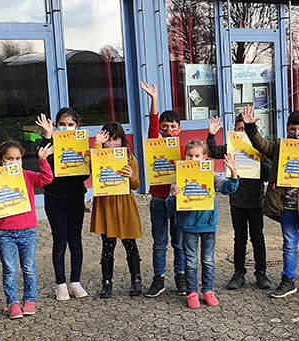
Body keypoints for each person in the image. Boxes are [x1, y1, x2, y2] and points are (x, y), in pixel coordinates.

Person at [241, 106, 299, 298]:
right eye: (292, 130)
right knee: (289, 244)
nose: (296, 133)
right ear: (287, 129)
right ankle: (288, 280)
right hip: (286, 206)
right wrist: (250, 127)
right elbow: (261, 145)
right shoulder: (280, 146)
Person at [0, 141, 54, 319]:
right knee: (10, 269)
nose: (13, 162)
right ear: (1, 159)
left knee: (28, 267)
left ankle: (30, 300)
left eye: (18, 158)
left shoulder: (26, 175)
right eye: (9, 158)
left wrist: (43, 161)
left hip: (27, 229)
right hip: (4, 231)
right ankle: (12, 303)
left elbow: (46, 180)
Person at [167, 141, 239, 308]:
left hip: (208, 225)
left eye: (197, 156)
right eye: (189, 156)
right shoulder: (179, 177)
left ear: (205, 157)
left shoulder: (211, 175)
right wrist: (174, 196)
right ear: (184, 158)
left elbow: (229, 188)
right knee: (190, 261)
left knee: (208, 260)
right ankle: (192, 292)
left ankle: (208, 290)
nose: (193, 159)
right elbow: (169, 207)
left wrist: (234, 172)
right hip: (188, 226)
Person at [206, 115, 273, 290]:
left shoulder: (261, 148)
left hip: (256, 201)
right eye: (238, 128)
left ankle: (261, 273)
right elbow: (212, 152)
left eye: (245, 129)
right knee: (239, 238)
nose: (241, 132)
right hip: (237, 200)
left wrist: (263, 158)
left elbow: (267, 176)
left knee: (258, 238)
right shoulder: (231, 147)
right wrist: (212, 134)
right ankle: (238, 273)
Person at [35, 110, 90, 300]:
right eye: (62, 124)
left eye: (70, 124)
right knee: (60, 240)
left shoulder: (81, 145)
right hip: (54, 198)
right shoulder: (50, 143)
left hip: (75, 197)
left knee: (75, 239)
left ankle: (75, 282)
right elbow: (43, 165)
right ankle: (60, 284)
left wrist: (87, 159)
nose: (65, 128)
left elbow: (84, 175)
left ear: (77, 127)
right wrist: (47, 136)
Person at [141, 82, 187, 297]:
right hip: (158, 200)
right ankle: (158, 278)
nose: (168, 130)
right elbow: (152, 125)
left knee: (179, 241)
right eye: (165, 127)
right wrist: (154, 101)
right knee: (159, 242)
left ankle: (181, 275)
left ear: (179, 129)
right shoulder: (155, 144)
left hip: (178, 200)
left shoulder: (184, 149)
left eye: (172, 127)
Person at [90, 122, 144, 298]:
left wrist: (131, 177)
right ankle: (107, 283)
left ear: (122, 140)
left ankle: (136, 280)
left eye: (116, 139)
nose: (112, 143)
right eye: (108, 140)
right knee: (107, 245)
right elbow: (89, 164)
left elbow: (136, 185)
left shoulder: (129, 158)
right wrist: (96, 143)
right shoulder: (98, 155)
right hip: (106, 204)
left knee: (130, 243)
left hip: (124, 203)